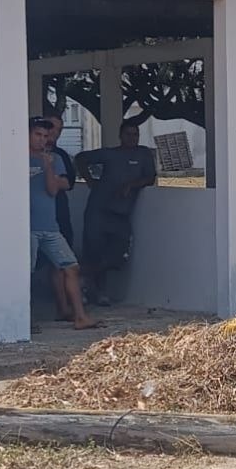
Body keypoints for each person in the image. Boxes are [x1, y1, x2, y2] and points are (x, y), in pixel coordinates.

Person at [75, 121, 157, 306]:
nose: (132, 138)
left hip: (120, 214)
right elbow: (81, 158)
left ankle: (83, 276)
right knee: (95, 251)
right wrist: (90, 180)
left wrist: (131, 185)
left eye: (135, 134)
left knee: (117, 256)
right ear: (121, 136)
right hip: (98, 210)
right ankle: (98, 292)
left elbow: (151, 177)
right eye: (128, 134)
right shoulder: (110, 154)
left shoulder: (144, 154)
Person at [27, 117, 97, 330]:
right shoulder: (14, 158)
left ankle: (80, 317)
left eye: (46, 136)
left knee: (71, 267)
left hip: (50, 227)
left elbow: (52, 189)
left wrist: (48, 168)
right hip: (25, 228)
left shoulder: (55, 159)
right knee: (25, 274)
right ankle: (25, 320)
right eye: (38, 135)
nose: (42, 140)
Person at [41, 109, 77, 321]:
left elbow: (66, 183)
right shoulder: (24, 154)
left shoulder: (60, 156)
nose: (55, 133)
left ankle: (64, 307)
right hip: (34, 216)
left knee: (63, 263)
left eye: (59, 129)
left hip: (58, 212)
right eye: (52, 127)